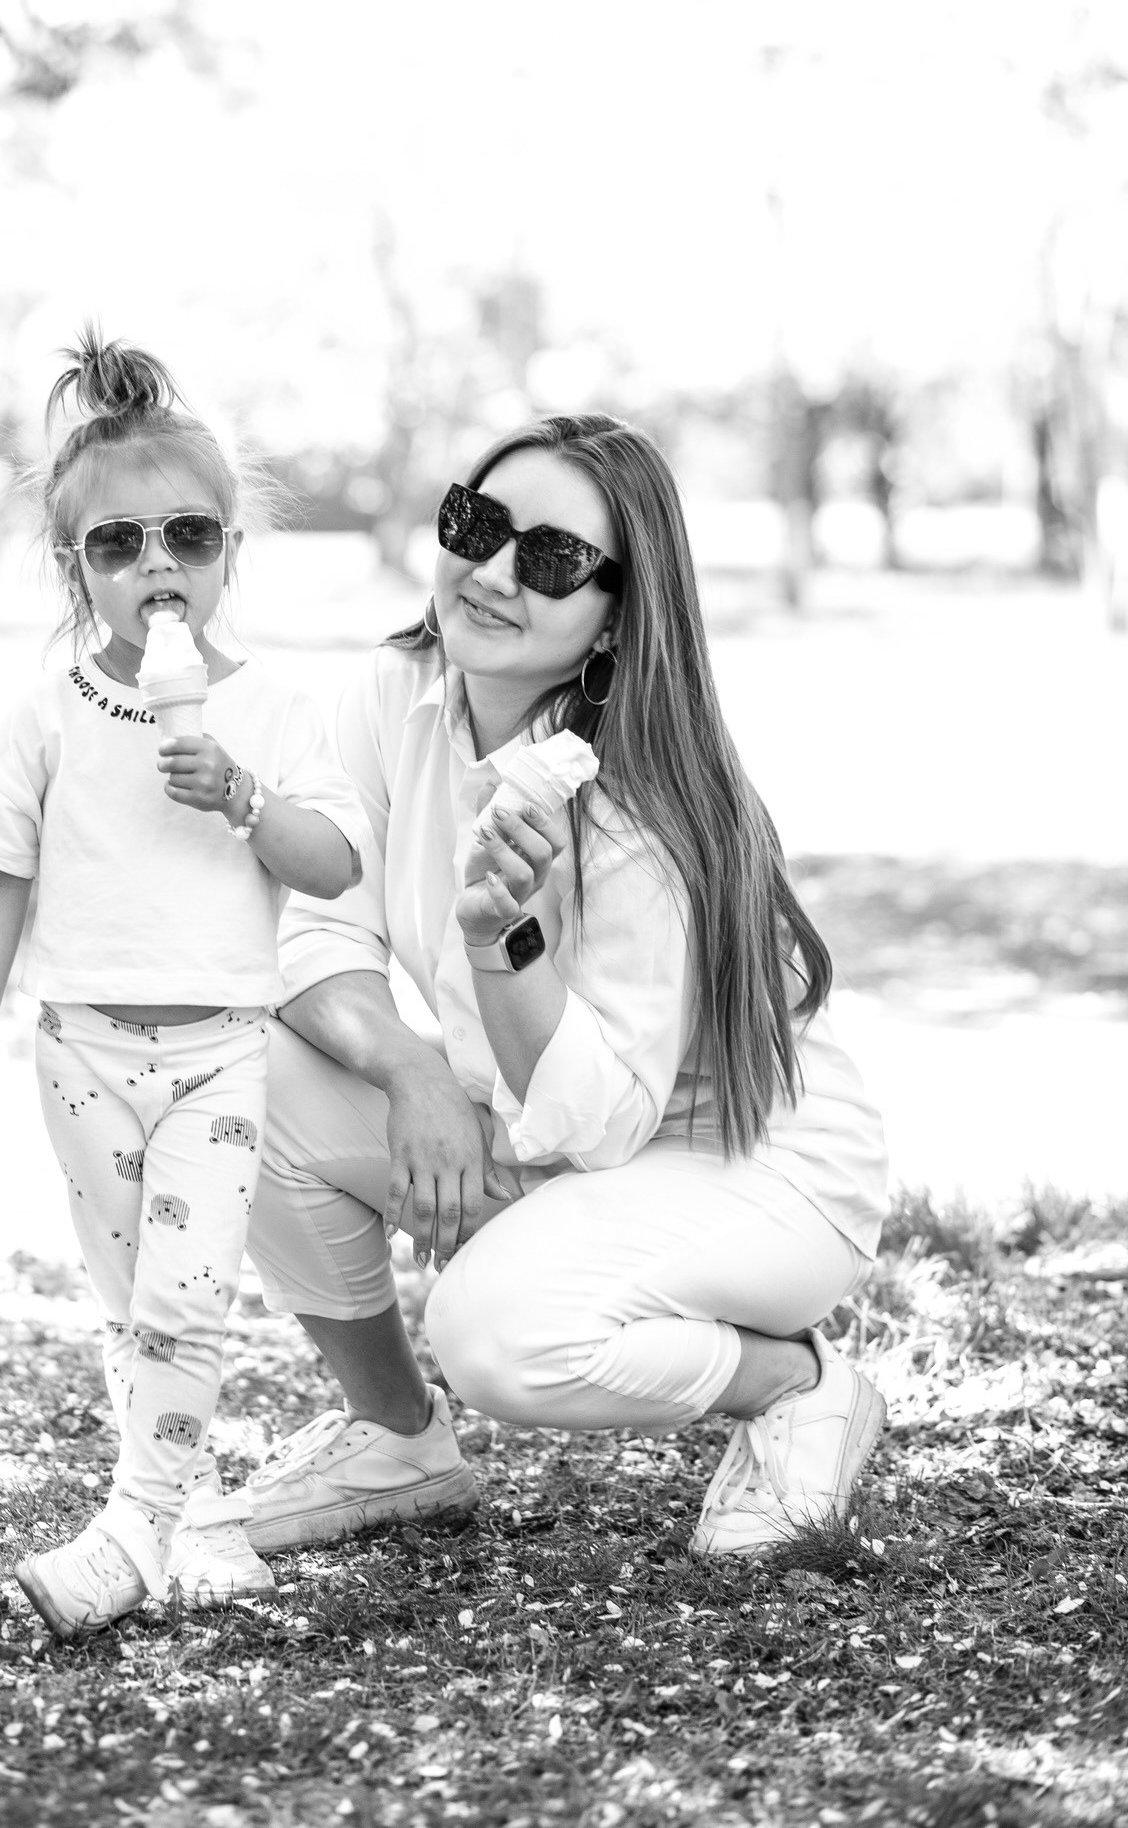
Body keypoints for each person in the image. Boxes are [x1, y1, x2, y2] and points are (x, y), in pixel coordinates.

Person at [204, 413, 889, 1560]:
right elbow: (304, 930)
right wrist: (412, 1072)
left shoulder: (638, 803)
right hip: (550, 1130)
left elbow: (603, 1121)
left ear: (617, 613)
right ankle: (396, 1441)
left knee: (495, 1332)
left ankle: (797, 1383)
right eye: (477, 524)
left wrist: (500, 947)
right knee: (237, 1069)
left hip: (756, 1166)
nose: (492, 572)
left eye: (554, 558)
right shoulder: (393, 693)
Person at [0, 333, 368, 1635]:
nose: (156, 566)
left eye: (188, 536)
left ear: (230, 551)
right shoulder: (48, 709)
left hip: (221, 1051)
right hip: (81, 1049)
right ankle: (192, 1510)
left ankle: (134, 1529)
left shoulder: (274, 708)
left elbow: (334, 863)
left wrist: (244, 796)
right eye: (117, 545)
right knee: (130, 1308)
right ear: (77, 569)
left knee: (189, 1298)